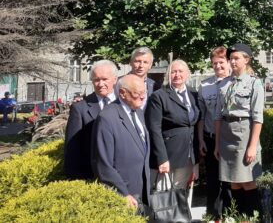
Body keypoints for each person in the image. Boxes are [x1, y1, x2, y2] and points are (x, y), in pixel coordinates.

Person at [214, 44, 264, 217]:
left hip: (245, 133)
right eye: (231, 58)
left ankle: (254, 218)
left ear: (246, 60)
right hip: (227, 135)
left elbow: (258, 118)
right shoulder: (223, 85)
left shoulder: (254, 83)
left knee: (247, 181)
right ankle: (238, 217)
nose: (232, 61)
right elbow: (218, 117)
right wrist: (217, 145)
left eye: (236, 58)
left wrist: (252, 146)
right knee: (233, 182)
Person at [145, 59, 200, 207]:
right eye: (173, 72)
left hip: (189, 153)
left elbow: (195, 123)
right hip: (169, 154)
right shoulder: (159, 96)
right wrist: (162, 158)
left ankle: (181, 218)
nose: (177, 75)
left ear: (187, 74)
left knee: (182, 192)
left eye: (180, 71)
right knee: (165, 194)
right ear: (168, 74)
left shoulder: (194, 94)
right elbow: (154, 128)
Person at [92, 74, 150, 211]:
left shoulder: (138, 111)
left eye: (144, 92)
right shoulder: (107, 118)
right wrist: (122, 193)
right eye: (138, 93)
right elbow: (103, 163)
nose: (143, 97)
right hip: (124, 194)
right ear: (123, 93)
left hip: (142, 189)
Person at [64, 60, 118, 179]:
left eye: (105, 79)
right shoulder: (80, 109)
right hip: (93, 176)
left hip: (124, 176)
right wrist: (75, 179)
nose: (100, 84)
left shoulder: (125, 104)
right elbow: (72, 148)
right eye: (96, 80)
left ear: (115, 79)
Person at [198, 46, 232, 217]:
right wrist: (201, 140)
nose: (218, 66)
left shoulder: (235, 83)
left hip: (231, 140)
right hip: (210, 138)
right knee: (212, 181)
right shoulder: (205, 85)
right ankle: (213, 217)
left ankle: (232, 216)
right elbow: (202, 116)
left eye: (221, 62)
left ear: (228, 62)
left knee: (230, 181)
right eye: (214, 63)